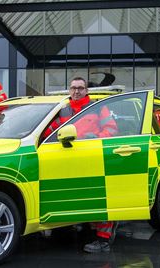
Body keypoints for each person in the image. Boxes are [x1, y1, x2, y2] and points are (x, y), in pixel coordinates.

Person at [43, 77, 118, 253]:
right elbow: (50, 131)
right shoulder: (62, 109)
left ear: (86, 91)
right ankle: (74, 226)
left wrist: (95, 138)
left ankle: (104, 239)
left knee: (99, 198)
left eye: (80, 88)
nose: (76, 91)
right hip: (67, 159)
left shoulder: (98, 108)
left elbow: (112, 130)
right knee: (74, 194)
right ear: (69, 90)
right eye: (73, 88)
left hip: (93, 157)